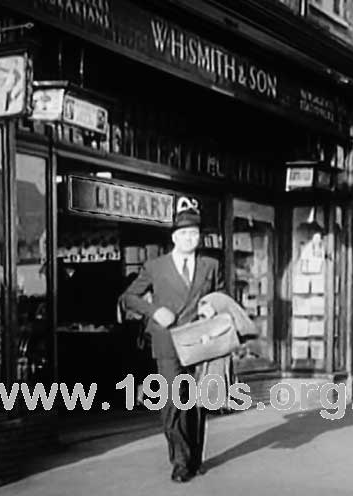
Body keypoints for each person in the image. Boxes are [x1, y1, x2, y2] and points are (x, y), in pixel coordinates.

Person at [120, 198, 224, 483]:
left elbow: (222, 296)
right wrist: (154, 310)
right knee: (173, 402)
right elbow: (128, 297)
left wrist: (212, 306)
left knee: (196, 402)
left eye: (195, 233)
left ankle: (195, 456)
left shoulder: (210, 265)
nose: (191, 238)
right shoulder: (155, 267)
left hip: (199, 342)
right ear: (174, 237)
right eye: (185, 234)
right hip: (168, 343)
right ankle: (180, 461)